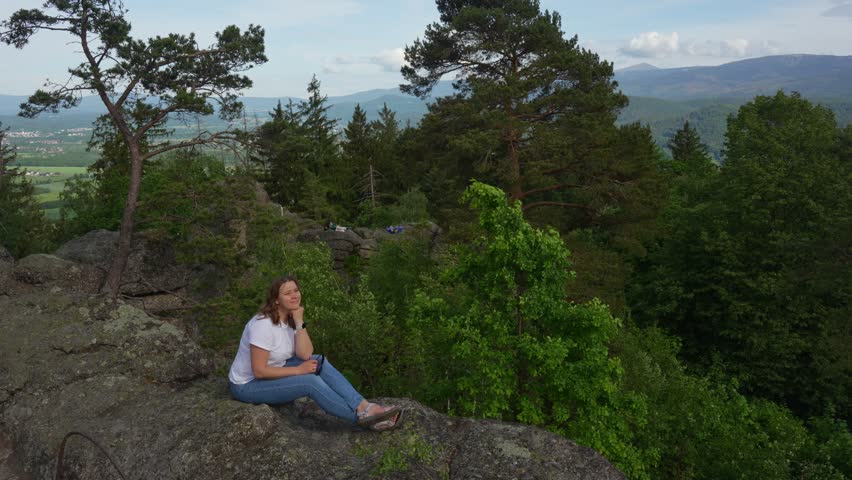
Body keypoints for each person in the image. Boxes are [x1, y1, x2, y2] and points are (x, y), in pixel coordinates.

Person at [228, 276, 402, 431]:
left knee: (318, 361)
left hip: (272, 371)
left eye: (296, 290)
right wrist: (298, 370)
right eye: (288, 293)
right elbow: (259, 371)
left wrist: (299, 321)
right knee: (309, 382)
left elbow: (305, 354)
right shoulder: (263, 325)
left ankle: (364, 406)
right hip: (248, 385)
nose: (295, 295)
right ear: (276, 300)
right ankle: (364, 419)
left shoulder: (289, 319)